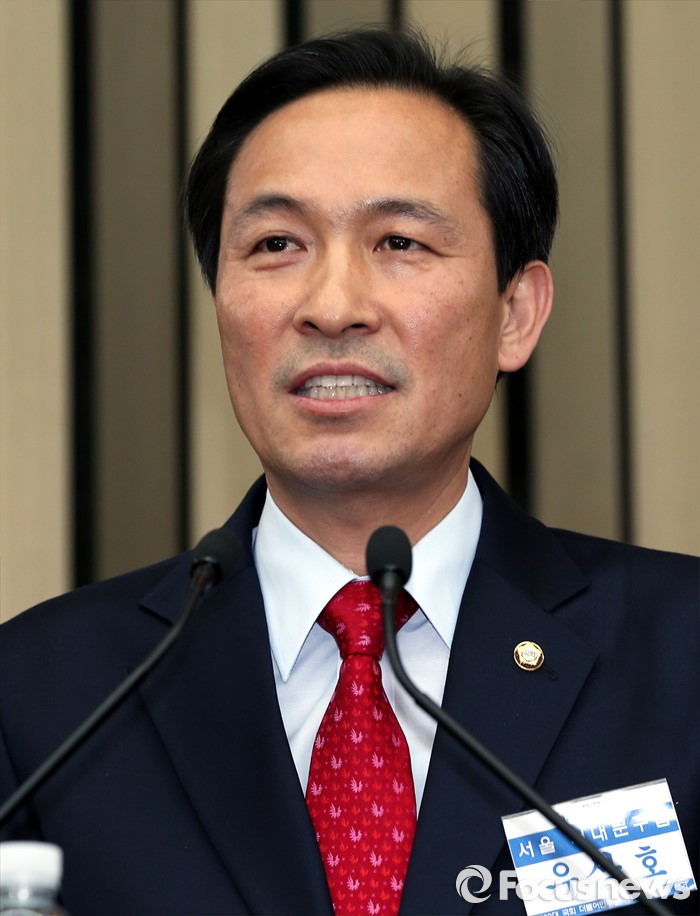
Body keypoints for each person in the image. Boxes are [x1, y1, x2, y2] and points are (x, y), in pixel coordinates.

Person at [0, 28, 697, 916]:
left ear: (516, 313)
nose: (332, 307)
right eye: (276, 245)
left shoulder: (681, 658)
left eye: (399, 241)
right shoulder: (42, 700)